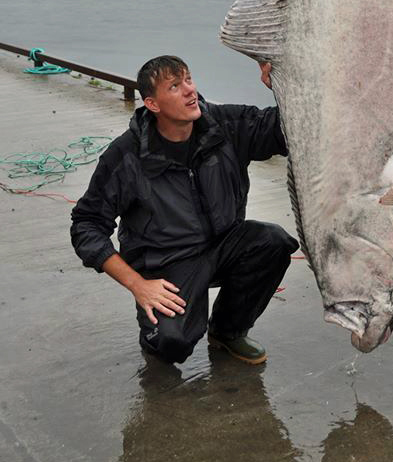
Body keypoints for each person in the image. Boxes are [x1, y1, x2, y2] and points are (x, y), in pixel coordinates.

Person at [70, 54, 298, 365]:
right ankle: (159, 332)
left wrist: (285, 86)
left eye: (188, 80)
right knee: (170, 345)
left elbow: (285, 129)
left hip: (223, 245)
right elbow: (87, 224)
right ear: (153, 104)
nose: (190, 90)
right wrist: (138, 285)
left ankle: (228, 332)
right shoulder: (126, 156)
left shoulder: (224, 126)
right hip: (167, 263)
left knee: (272, 242)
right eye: (175, 86)